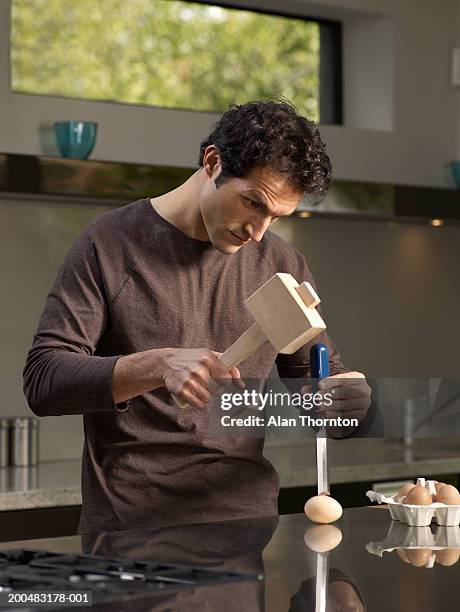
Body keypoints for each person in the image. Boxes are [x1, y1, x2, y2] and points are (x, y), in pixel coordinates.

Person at [23, 100, 371, 534]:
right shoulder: (109, 244)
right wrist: (159, 364)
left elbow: (320, 383)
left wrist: (347, 404)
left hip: (245, 532)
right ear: (213, 162)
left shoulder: (280, 262)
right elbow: (44, 381)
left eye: (276, 217)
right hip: (131, 530)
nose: (258, 232)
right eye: (252, 204)